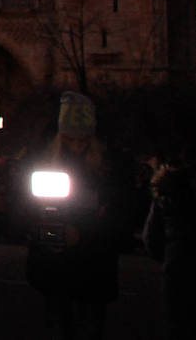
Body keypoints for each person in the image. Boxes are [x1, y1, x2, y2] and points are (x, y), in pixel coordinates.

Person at [24, 92, 123, 340]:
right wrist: (44, 232)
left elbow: (120, 216)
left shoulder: (108, 168)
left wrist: (83, 234)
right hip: (55, 269)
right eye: (70, 140)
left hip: (93, 267)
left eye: (83, 140)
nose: (78, 146)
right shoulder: (44, 162)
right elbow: (28, 214)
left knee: (89, 326)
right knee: (59, 325)